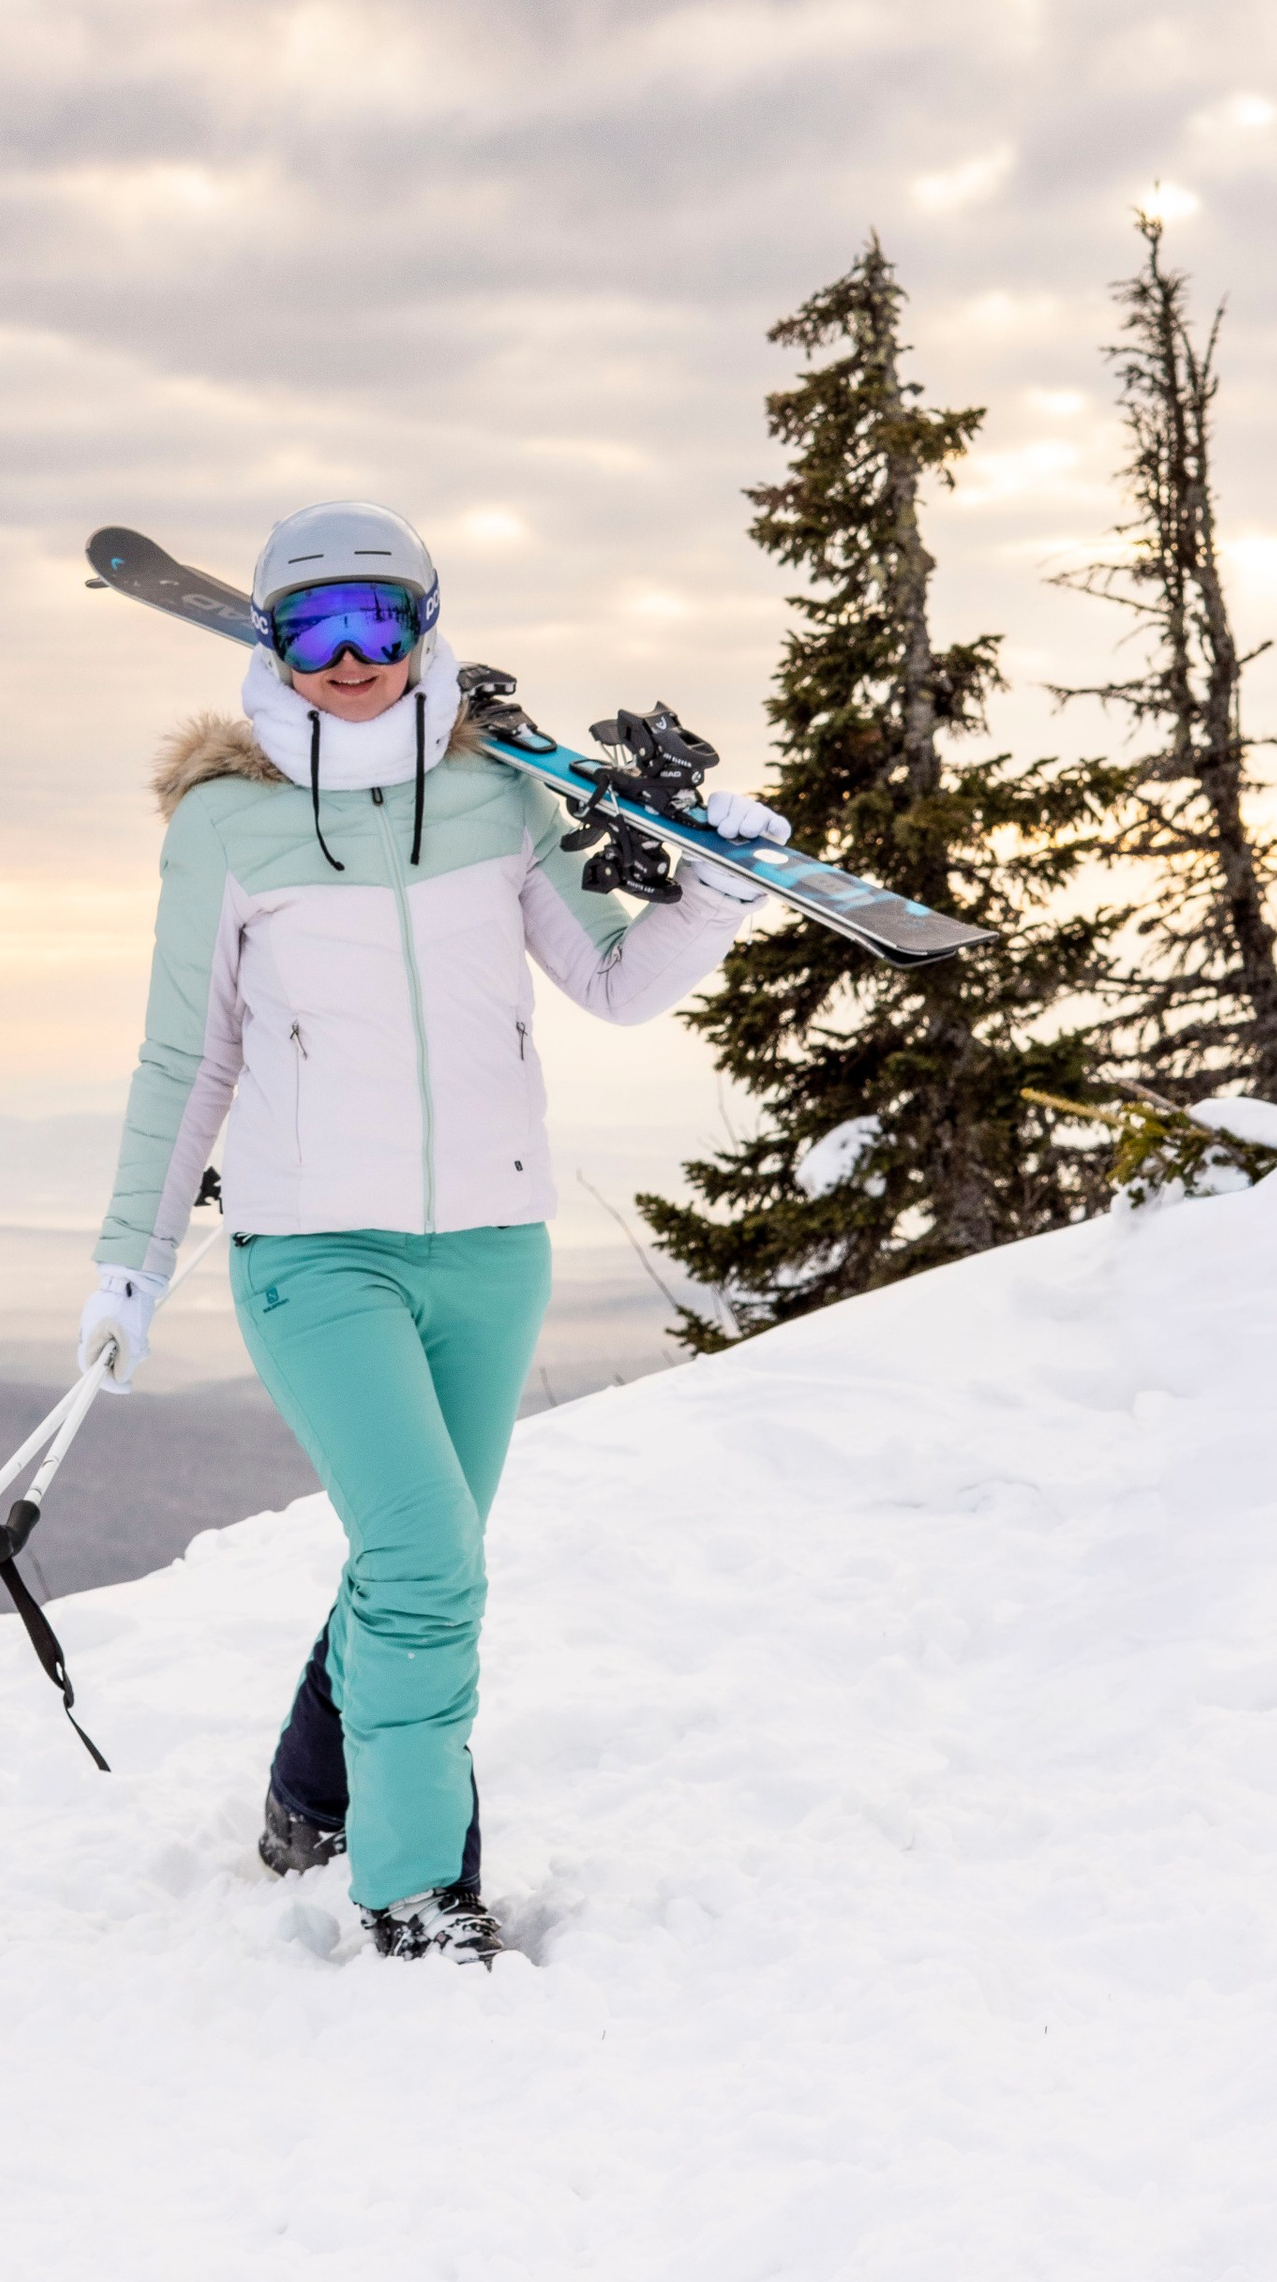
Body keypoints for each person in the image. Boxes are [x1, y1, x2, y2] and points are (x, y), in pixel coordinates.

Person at [77, 502, 786, 1967]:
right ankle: (415, 1890)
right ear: (272, 643)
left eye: (380, 626)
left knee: (421, 1556)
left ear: (425, 629)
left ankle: (309, 1795)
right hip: (314, 1256)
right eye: (316, 631)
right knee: (428, 1567)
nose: (351, 660)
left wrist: (714, 887)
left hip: (489, 1248)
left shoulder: (496, 802)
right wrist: (129, 1263)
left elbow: (613, 981)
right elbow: (185, 1058)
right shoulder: (229, 823)